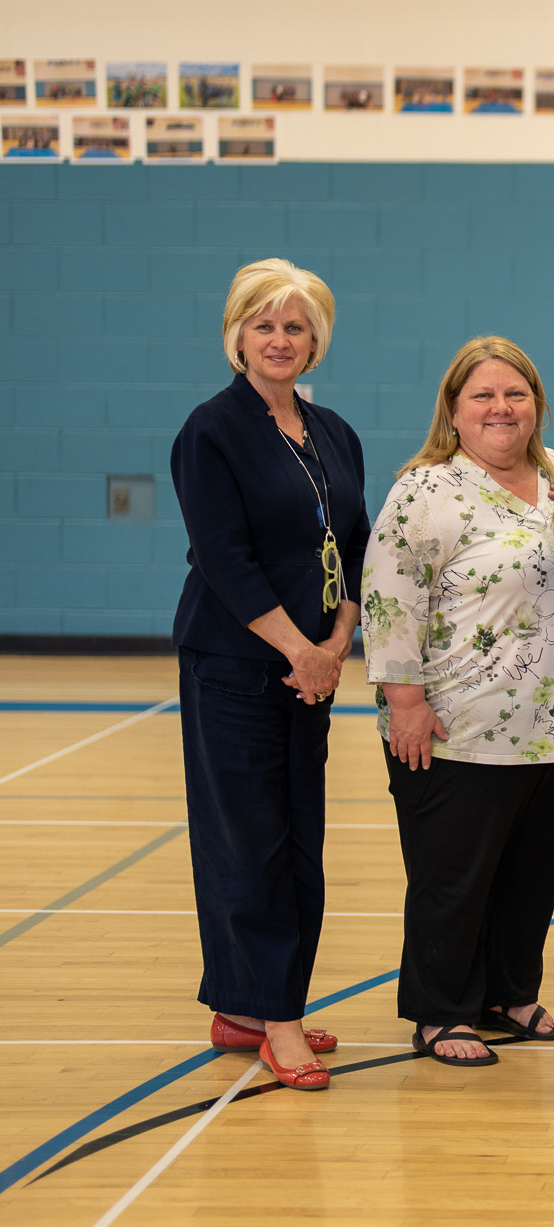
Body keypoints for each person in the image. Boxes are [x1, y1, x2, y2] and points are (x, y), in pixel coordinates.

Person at [169, 259, 368, 1091]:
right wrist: (301, 649)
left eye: (295, 326)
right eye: (264, 325)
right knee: (247, 843)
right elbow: (225, 559)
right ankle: (275, 1018)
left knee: (296, 843)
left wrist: (337, 641)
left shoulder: (332, 432)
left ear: (316, 339)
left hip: (311, 669)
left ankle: (249, 1005)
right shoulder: (211, 431)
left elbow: (355, 551)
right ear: (237, 336)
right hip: (238, 665)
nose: (280, 340)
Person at [361, 336, 554, 1068]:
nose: (500, 407)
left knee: (532, 873)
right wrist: (405, 701)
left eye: (515, 393)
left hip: (553, 726)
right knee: (452, 878)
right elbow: (389, 603)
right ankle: (441, 1008)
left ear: (537, 406)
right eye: (482, 395)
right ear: (453, 410)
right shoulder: (424, 491)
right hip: (455, 722)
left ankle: (509, 993)